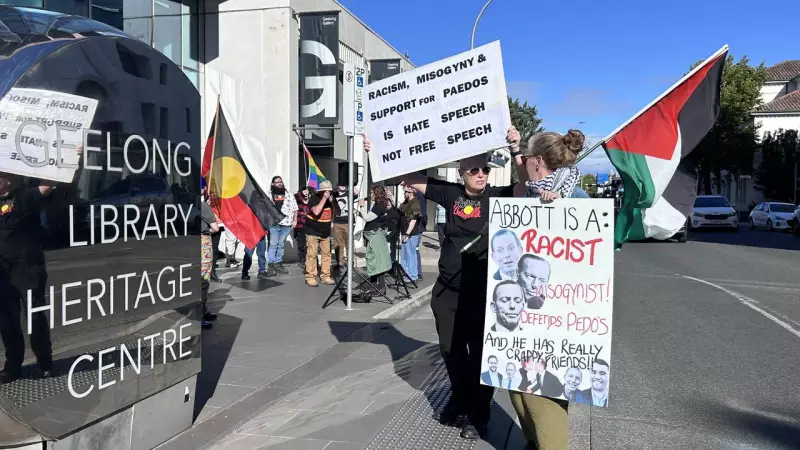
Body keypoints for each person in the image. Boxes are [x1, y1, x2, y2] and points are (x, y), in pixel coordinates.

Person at [363, 132, 526, 440]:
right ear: (462, 172)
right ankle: (462, 398)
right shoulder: (450, 194)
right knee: (451, 350)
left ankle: (478, 415)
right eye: (474, 170)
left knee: (479, 354)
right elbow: (407, 175)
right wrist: (378, 151)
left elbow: (526, 185)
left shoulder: (497, 196)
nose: (481, 175)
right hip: (448, 290)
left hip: (481, 292)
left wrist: (516, 148)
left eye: (485, 170)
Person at [506, 126, 586, 450]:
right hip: (525, 318)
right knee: (518, 392)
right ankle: (533, 442)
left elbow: (594, 256)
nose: (521, 160)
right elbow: (523, 176)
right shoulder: (531, 191)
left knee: (543, 401)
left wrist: (562, 210)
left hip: (557, 321)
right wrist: (514, 147)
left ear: (537, 161)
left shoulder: (574, 196)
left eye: (525, 155)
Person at [0, 146, 86, 384]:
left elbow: (48, 184)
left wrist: (70, 156)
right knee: (7, 320)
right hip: (3, 273)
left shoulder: (24, 196)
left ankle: (45, 362)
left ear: (9, 180)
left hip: (28, 269)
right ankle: (13, 366)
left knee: (35, 316)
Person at [356, 185, 393, 297]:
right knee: (372, 259)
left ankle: (381, 287)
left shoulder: (380, 205)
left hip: (375, 235)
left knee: (378, 260)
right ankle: (373, 285)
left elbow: (368, 218)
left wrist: (361, 206)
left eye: (372, 192)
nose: (370, 194)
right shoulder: (376, 204)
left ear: (376, 194)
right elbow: (371, 218)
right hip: (371, 235)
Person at [304, 180, 338, 287]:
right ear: (321, 191)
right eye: (326, 191)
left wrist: (333, 202)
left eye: (329, 191)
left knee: (327, 254)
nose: (328, 193)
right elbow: (316, 211)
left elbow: (338, 212)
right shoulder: (314, 198)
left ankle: (325, 276)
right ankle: (310, 277)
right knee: (312, 254)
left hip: (325, 232)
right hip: (313, 231)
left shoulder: (331, 199)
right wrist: (324, 199)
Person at [266, 175, 298, 276]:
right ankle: (271, 265)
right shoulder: (268, 195)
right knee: (273, 244)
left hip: (287, 223)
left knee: (281, 244)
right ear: (273, 184)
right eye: (277, 182)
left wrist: (295, 220)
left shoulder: (288, 194)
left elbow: (295, 208)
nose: (280, 183)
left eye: (281, 181)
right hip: (274, 223)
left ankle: (278, 264)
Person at [200, 190, 220, 329]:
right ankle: (200, 314)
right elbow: (215, 228)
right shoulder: (203, 206)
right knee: (203, 279)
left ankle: (203, 311)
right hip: (203, 243)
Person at [241, 190, 271, 281]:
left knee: (260, 253)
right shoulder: (249, 207)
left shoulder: (264, 208)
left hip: (261, 233)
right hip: (251, 234)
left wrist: (266, 229)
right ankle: (245, 272)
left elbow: (267, 220)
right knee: (249, 254)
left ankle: (261, 271)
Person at [332, 184, 358, 271]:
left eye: (344, 184)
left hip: (348, 222)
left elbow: (356, 192)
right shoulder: (334, 194)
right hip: (337, 222)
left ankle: (351, 263)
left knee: (349, 243)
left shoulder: (349, 193)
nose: (342, 186)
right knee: (338, 244)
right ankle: (340, 262)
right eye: (340, 184)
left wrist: (351, 183)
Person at [399, 185, 422, 283]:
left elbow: (414, 219)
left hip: (411, 233)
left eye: (406, 192)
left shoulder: (415, 203)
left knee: (410, 254)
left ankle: (412, 276)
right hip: (405, 232)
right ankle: (407, 274)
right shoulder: (406, 203)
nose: (404, 194)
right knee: (405, 255)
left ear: (411, 193)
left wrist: (407, 234)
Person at [294, 186, 311, 271]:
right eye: (304, 191)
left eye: (307, 191)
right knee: (301, 245)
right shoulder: (298, 201)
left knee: (310, 245)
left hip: (310, 226)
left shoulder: (311, 201)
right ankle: (302, 261)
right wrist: (302, 194)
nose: (306, 193)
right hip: (300, 227)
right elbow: (295, 196)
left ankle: (310, 261)